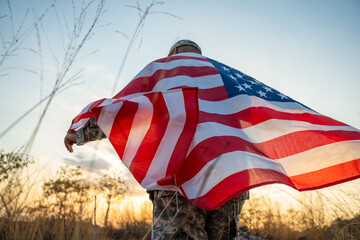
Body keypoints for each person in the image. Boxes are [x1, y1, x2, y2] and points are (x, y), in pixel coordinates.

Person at [64, 40, 249, 240]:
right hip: (231, 177)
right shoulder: (223, 76)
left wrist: (80, 133)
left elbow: (129, 109)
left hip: (181, 179)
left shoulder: (165, 72)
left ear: (174, 52)